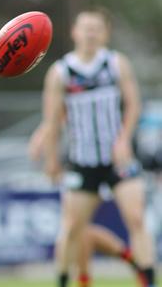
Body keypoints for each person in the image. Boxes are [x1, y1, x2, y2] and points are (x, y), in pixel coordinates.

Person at [40, 7, 156, 287]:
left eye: (96, 28)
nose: (91, 34)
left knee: (137, 218)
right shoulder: (61, 72)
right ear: (74, 32)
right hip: (82, 161)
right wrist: (52, 159)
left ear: (105, 33)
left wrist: (124, 139)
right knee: (71, 229)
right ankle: (63, 280)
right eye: (85, 28)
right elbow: (52, 121)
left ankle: (149, 280)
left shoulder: (116, 64)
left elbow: (133, 105)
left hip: (118, 159)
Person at [29, 122, 143, 287]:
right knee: (78, 231)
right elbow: (54, 118)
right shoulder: (71, 109)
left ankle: (132, 262)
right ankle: (127, 263)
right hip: (78, 171)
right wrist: (41, 140)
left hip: (104, 169)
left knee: (81, 231)